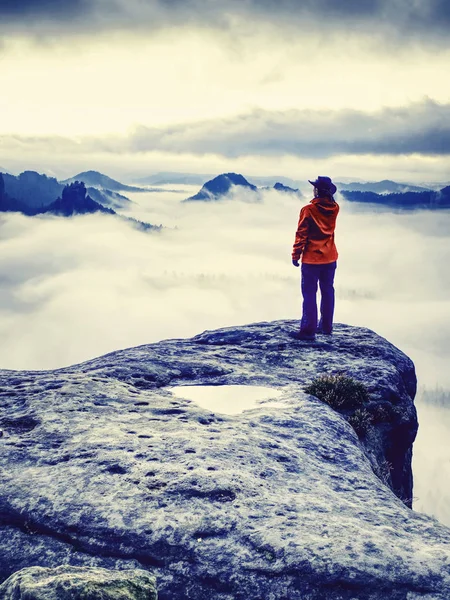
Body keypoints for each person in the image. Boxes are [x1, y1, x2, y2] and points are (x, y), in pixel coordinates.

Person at [291, 176, 339, 341]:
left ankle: (308, 330)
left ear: (317, 190)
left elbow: (301, 234)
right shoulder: (335, 208)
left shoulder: (308, 210)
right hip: (330, 258)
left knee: (310, 294)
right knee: (328, 292)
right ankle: (326, 327)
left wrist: (296, 254)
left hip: (312, 260)